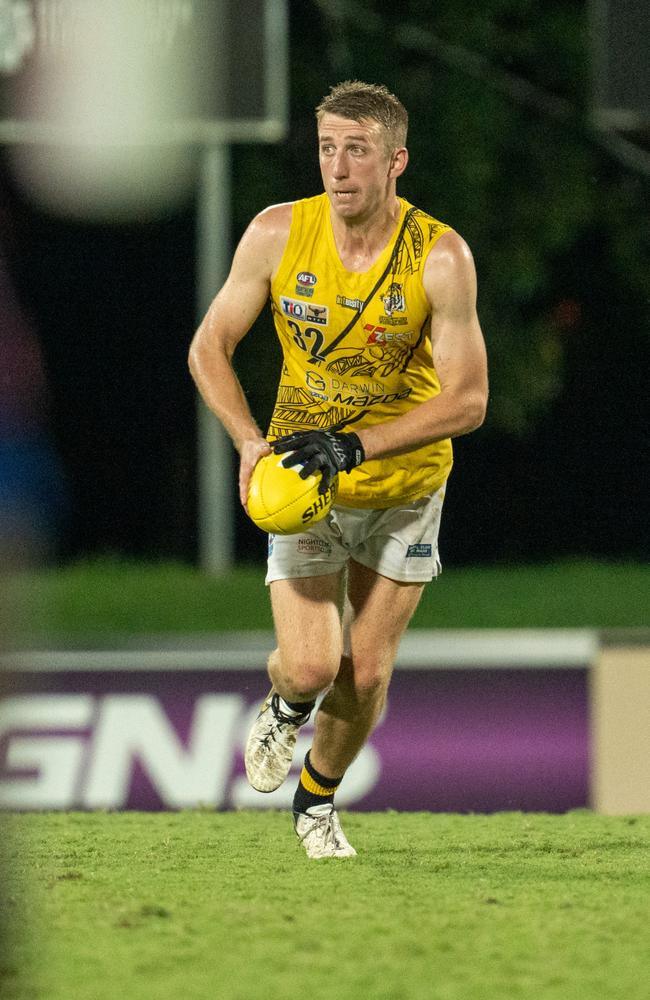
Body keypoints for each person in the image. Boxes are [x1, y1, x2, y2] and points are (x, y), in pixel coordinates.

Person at [189, 80, 488, 858]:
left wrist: (357, 444)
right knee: (313, 667)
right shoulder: (278, 233)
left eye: (357, 150)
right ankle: (285, 707)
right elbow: (207, 347)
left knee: (363, 680)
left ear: (396, 160)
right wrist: (250, 440)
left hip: (405, 487)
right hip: (303, 482)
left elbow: (469, 400)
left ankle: (315, 806)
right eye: (327, 148)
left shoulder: (441, 256)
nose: (338, 167)